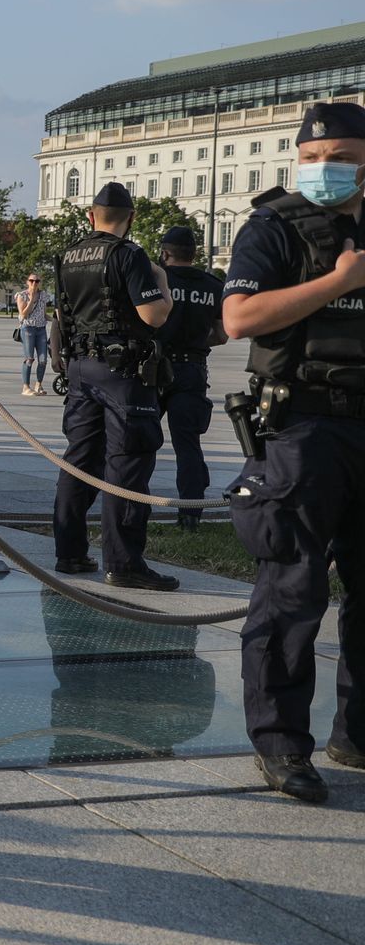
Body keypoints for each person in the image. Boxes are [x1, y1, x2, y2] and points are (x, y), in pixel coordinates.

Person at [220, 100, 365, 803]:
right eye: (310, 159)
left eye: (338, 159)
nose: (321, 170)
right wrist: (339, 284)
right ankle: (282, 747)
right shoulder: (273, 226)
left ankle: (356, 735)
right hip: (303, 427)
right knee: (292, 589)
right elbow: (239, 318)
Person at [50, 181, 174, 589]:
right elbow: (154, 315)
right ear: (131, 218)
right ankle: (123, 564)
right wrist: (162, 282)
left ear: (91, 215)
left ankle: (69, 552)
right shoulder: (129, 254)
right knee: (127, 463)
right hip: (123, 374)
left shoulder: (67, 257)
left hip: (81, 367)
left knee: (79, 459)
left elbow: (62, 317)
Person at [154, 224, 225, 532]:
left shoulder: (159, 279)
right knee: (188, 445)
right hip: (193, 370)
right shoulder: (213, 284)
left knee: (141, 440)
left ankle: (130, 506)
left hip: (155, 369)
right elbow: (221, 336)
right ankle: (191, 514)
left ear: (166, 253)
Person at [16, 270, 54, 395]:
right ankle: (25, 387)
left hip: (41, 329)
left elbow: (43, 314)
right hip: (28, 329)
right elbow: (23, 314)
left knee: (43, 359)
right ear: (27, 282)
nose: (34, 283)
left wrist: (55, 321)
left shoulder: (43, 295)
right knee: (29, 358)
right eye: (32, 280)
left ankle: (38, 385)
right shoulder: (22, 295)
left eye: (37, 281)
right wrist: (31, 299)